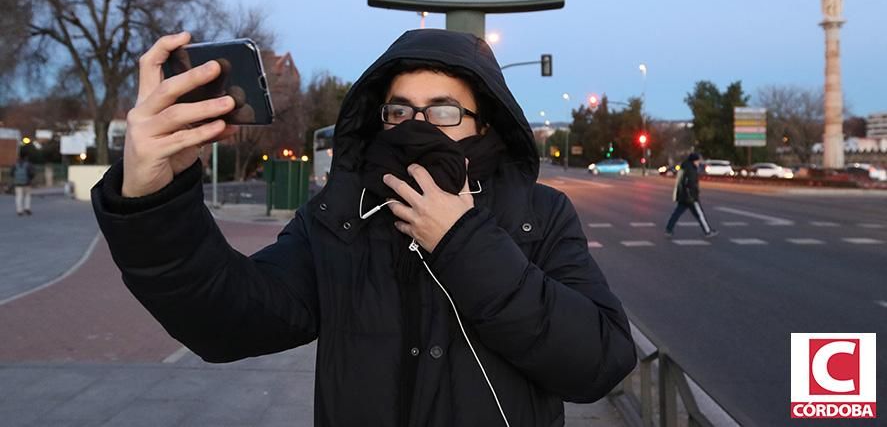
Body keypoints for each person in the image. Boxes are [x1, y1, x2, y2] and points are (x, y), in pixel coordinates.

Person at [91, 29, 637, 426]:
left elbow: (600, 362)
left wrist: (463, 242)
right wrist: (153, 199)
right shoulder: (340, 218)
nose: (418, 127)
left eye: (444, 112)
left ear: (484, 123)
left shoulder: (539, 215)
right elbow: (225, 319)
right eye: (400, 113)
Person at [665, 152, 718, 238]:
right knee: (700, 214)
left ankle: (668, 229)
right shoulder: (691, 170)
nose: (699, 163)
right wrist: (694, 197)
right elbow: (691, 184)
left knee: (676, 214)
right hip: (690, 198)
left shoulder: (684, 167)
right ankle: (707, 231)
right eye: (698, 161)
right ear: (694, 161)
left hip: (683, 196)